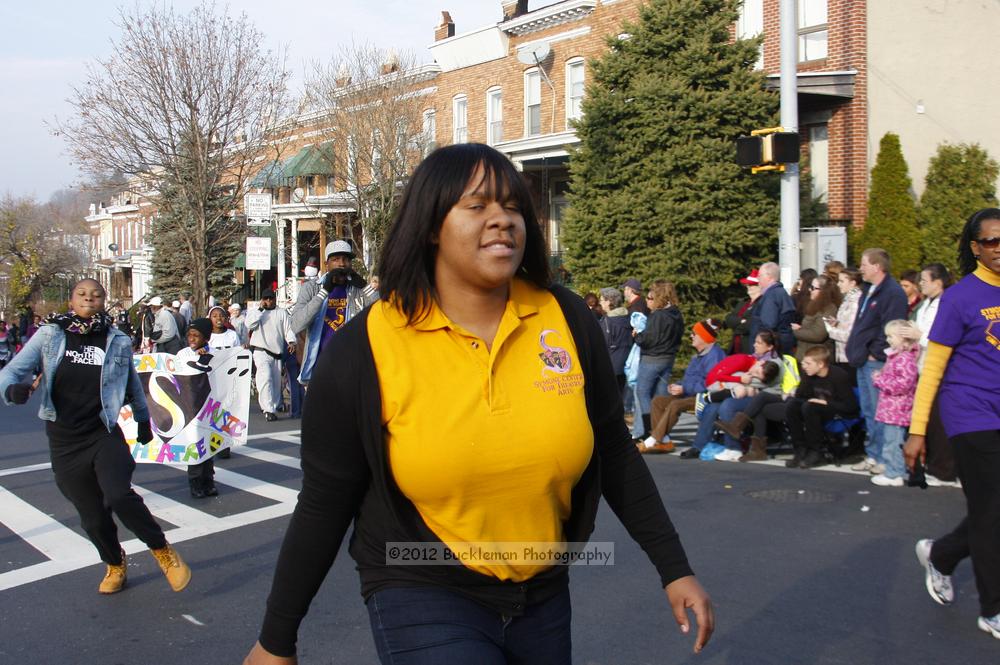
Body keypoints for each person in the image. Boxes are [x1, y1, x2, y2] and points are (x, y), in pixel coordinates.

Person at [243, 143, 713, 665]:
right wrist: (276, 640)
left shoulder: (566, 319)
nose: (502, 220)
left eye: (512, 206)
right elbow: (324, 500)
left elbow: (614, 451)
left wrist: (675, 567)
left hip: (543, 589)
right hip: (417, 583)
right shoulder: (367, 346)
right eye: (478, 206)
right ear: (430, 225)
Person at [0, 278, 190, 595]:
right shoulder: (50, 334)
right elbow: (11, 371)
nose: (89, 298)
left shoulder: (115, 340)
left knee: (118, 494)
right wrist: (11, 389)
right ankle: (114, 563)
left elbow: (131, 384)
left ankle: (162, 549)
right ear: (71, 300)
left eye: (96, 294)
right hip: (64, 440)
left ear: (104, 300)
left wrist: (144, 420)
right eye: (82, 293)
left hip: (102, 433)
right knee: (91, 517)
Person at [905, 207, 1000, 641]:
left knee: (991, 511)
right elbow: (933, 370)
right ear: (975, 247)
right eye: (991, 242)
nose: (999, 249)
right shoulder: (960, 298)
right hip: (970, 413)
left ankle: (942, 555)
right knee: (992, 510)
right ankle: (993, 609)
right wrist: (917, 430)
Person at [846, 248, 909, 475]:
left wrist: (877, 352)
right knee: (869, 409)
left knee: (880, 410)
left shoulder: (892, 293)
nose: (860, 268)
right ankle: (873, 454)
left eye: (864, 264)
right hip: (863, 358)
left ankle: (885, 458)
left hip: (876, 360)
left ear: (877, 266)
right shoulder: (868, 290)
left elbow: (892, 325)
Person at [290, 240, 376, 386]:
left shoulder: (357, 290)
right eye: (336, 259)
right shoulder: (312, 288)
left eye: (346, 259)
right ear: (326, 264)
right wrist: (324, 292)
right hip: (320, 367)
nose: (342, 264)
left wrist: (364, 287)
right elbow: (297, 324)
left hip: (352, 368)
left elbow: (384, 313)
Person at [642, 319, 726, 454]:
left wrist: (685, 388)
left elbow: (711, 384)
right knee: (658, 401)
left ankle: (653, 440)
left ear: (704, 337)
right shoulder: (697, 355)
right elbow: (689, 378)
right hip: (689, 394)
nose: (691, 336)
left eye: (694, 333)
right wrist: (678, 385)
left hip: (704, 397)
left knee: (675, 405)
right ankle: (664, 441)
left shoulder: (715, 356)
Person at [912, 263, 958, 486]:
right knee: (928, 422)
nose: (920, 283)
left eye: (924, 280)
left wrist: (918, 335)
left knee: (940, 422)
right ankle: (932, 463)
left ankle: (945, 470)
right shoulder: (924, 305)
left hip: (941, 369)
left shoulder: (946, 304)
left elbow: (943, 338)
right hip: (922, 366)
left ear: (938, 282)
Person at [782, 345, 859, 468]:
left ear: (821, 364)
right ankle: (800, 449)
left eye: (808, 363)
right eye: (804, 363)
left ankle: (816, 451)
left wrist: (827, 403)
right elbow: (799, 395)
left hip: (837, 409)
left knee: (810, 406)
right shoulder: (809, 374)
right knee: (792, 405)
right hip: (815, 407)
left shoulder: (839, 376)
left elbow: (851, 406)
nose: (804, 366)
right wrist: (806, 379)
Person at [869, 319, 920, 487]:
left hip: (897, 409)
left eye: (891, 336)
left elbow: (903, 385)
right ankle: (896, 470)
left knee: (893, 443)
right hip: (893, 408)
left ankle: (894, 473)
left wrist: (879, 380)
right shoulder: (898, 356)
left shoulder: (904, 358)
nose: (888, 339)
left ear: (904, 338)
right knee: (892, 441)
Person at [633, 280, 684, 440]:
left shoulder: (658, 315)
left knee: (642, 392)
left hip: (653, 358)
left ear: (658, 296)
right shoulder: (676, 313)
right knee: (660, 396)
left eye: (651, 296)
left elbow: (649, 339)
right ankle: (663, 431)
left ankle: (650, 430)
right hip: (668, 358)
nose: (649, 300)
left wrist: (637, 336)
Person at [177, 318, 219, 498]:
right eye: (190, 335)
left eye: (197, 336)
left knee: (208, 447)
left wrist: (204, 356)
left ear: (206, 338)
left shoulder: (214, 353)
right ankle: (195, 483)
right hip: (189, 407)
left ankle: (208, 481)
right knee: (194, 446)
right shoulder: (183, 354)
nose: (192, 339)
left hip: (208, 407)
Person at [246, 290, 296, 422]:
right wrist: (260, 310)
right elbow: (250, 324)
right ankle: (268, 409)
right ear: (262, 299)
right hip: (261, 350)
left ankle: (274, 405)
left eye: (271, 298)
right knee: (265, 378)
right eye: (266, 299)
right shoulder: (257, 313)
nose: (269, 301)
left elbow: (288, 329)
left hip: (276, 352)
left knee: (275, 382)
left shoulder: (281, 313)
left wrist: (291, 341)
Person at [791, 273, 840, 362]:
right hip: (806, 356)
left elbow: (817, 335)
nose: (810, 290)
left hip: (817, 360)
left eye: (813, 288)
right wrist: (801, 328)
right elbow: (812, 327)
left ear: (823, 291)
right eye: (810, 287)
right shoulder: (815, 305)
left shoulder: (829, 309)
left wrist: (794, 332)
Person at [750, 261, 796, 354]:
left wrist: (760, 347)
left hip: (770, 350)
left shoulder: (772, 295)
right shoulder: (780, 293)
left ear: (769, 277)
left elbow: (769, 324)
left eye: (760, 275)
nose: (758, 278)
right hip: (781, 344)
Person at [824, 267, 862, 376]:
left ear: (852, 283)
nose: (838, 284)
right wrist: (837, 323)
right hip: (843, 354)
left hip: (849, 355)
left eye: (842, 281)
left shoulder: (855, 302)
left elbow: (850, 334)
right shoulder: (847, 299)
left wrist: (831, 330)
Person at [597, 287, 632, 392]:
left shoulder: (608, 322)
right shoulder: (628, 316)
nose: (600, 302)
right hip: (625, 363)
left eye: (602, 300)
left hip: (610, 366)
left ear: (609, 302)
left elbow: (602, 345)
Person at [723, 268, 760, 354]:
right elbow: (728, 319)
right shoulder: (743, 302)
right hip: (735, 346)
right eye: (747, 285)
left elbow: (749, 325)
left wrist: (737, 324)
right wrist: (741, 321)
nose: (748, 287)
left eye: (751, 285)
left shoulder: (761, 303)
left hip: (749, 347)